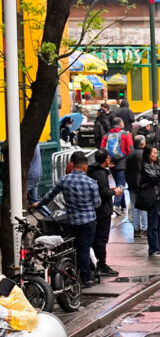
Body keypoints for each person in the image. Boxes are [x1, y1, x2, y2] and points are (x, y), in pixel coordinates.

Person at [32, 151, 100, 286]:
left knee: (75, 247)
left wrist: (38, 204)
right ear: (85, 167)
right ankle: (85, 277)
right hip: (89, 221)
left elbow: (49, 196)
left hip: (73, 220)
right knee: (85, 248)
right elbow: (97, 203)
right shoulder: (91, 182)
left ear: (73, 165)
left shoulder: (64, 180)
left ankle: (73, 271)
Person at [85, 150, 121, 277]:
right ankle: (101, 263)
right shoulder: (100, 174)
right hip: (103, 210)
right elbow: (102, 192)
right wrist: (113, 193)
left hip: (97, 210)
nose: (109, 160)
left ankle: (97, 262)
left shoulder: (93, 171)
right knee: (101, 238)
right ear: (104, 159)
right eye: (108, 158)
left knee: (97, 238)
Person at [101, 118, 132, 215]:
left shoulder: (107, 135)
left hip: (110, 162)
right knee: (121, 184)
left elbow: (102, 149)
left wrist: (107, 161)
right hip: (122, 162)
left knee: (118, 183)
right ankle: (116, 205)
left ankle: (123, 207)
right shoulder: (125, 134)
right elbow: (130, 149)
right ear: (120, 124)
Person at [125, 135, 148, 238]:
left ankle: (136, 228)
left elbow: (127, 171)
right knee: (143, 207)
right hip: (142, 185)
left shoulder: (130, 155)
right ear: (142, 144)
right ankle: (144, 228)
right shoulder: (144, 154)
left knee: (134, 206)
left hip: (132, 184)